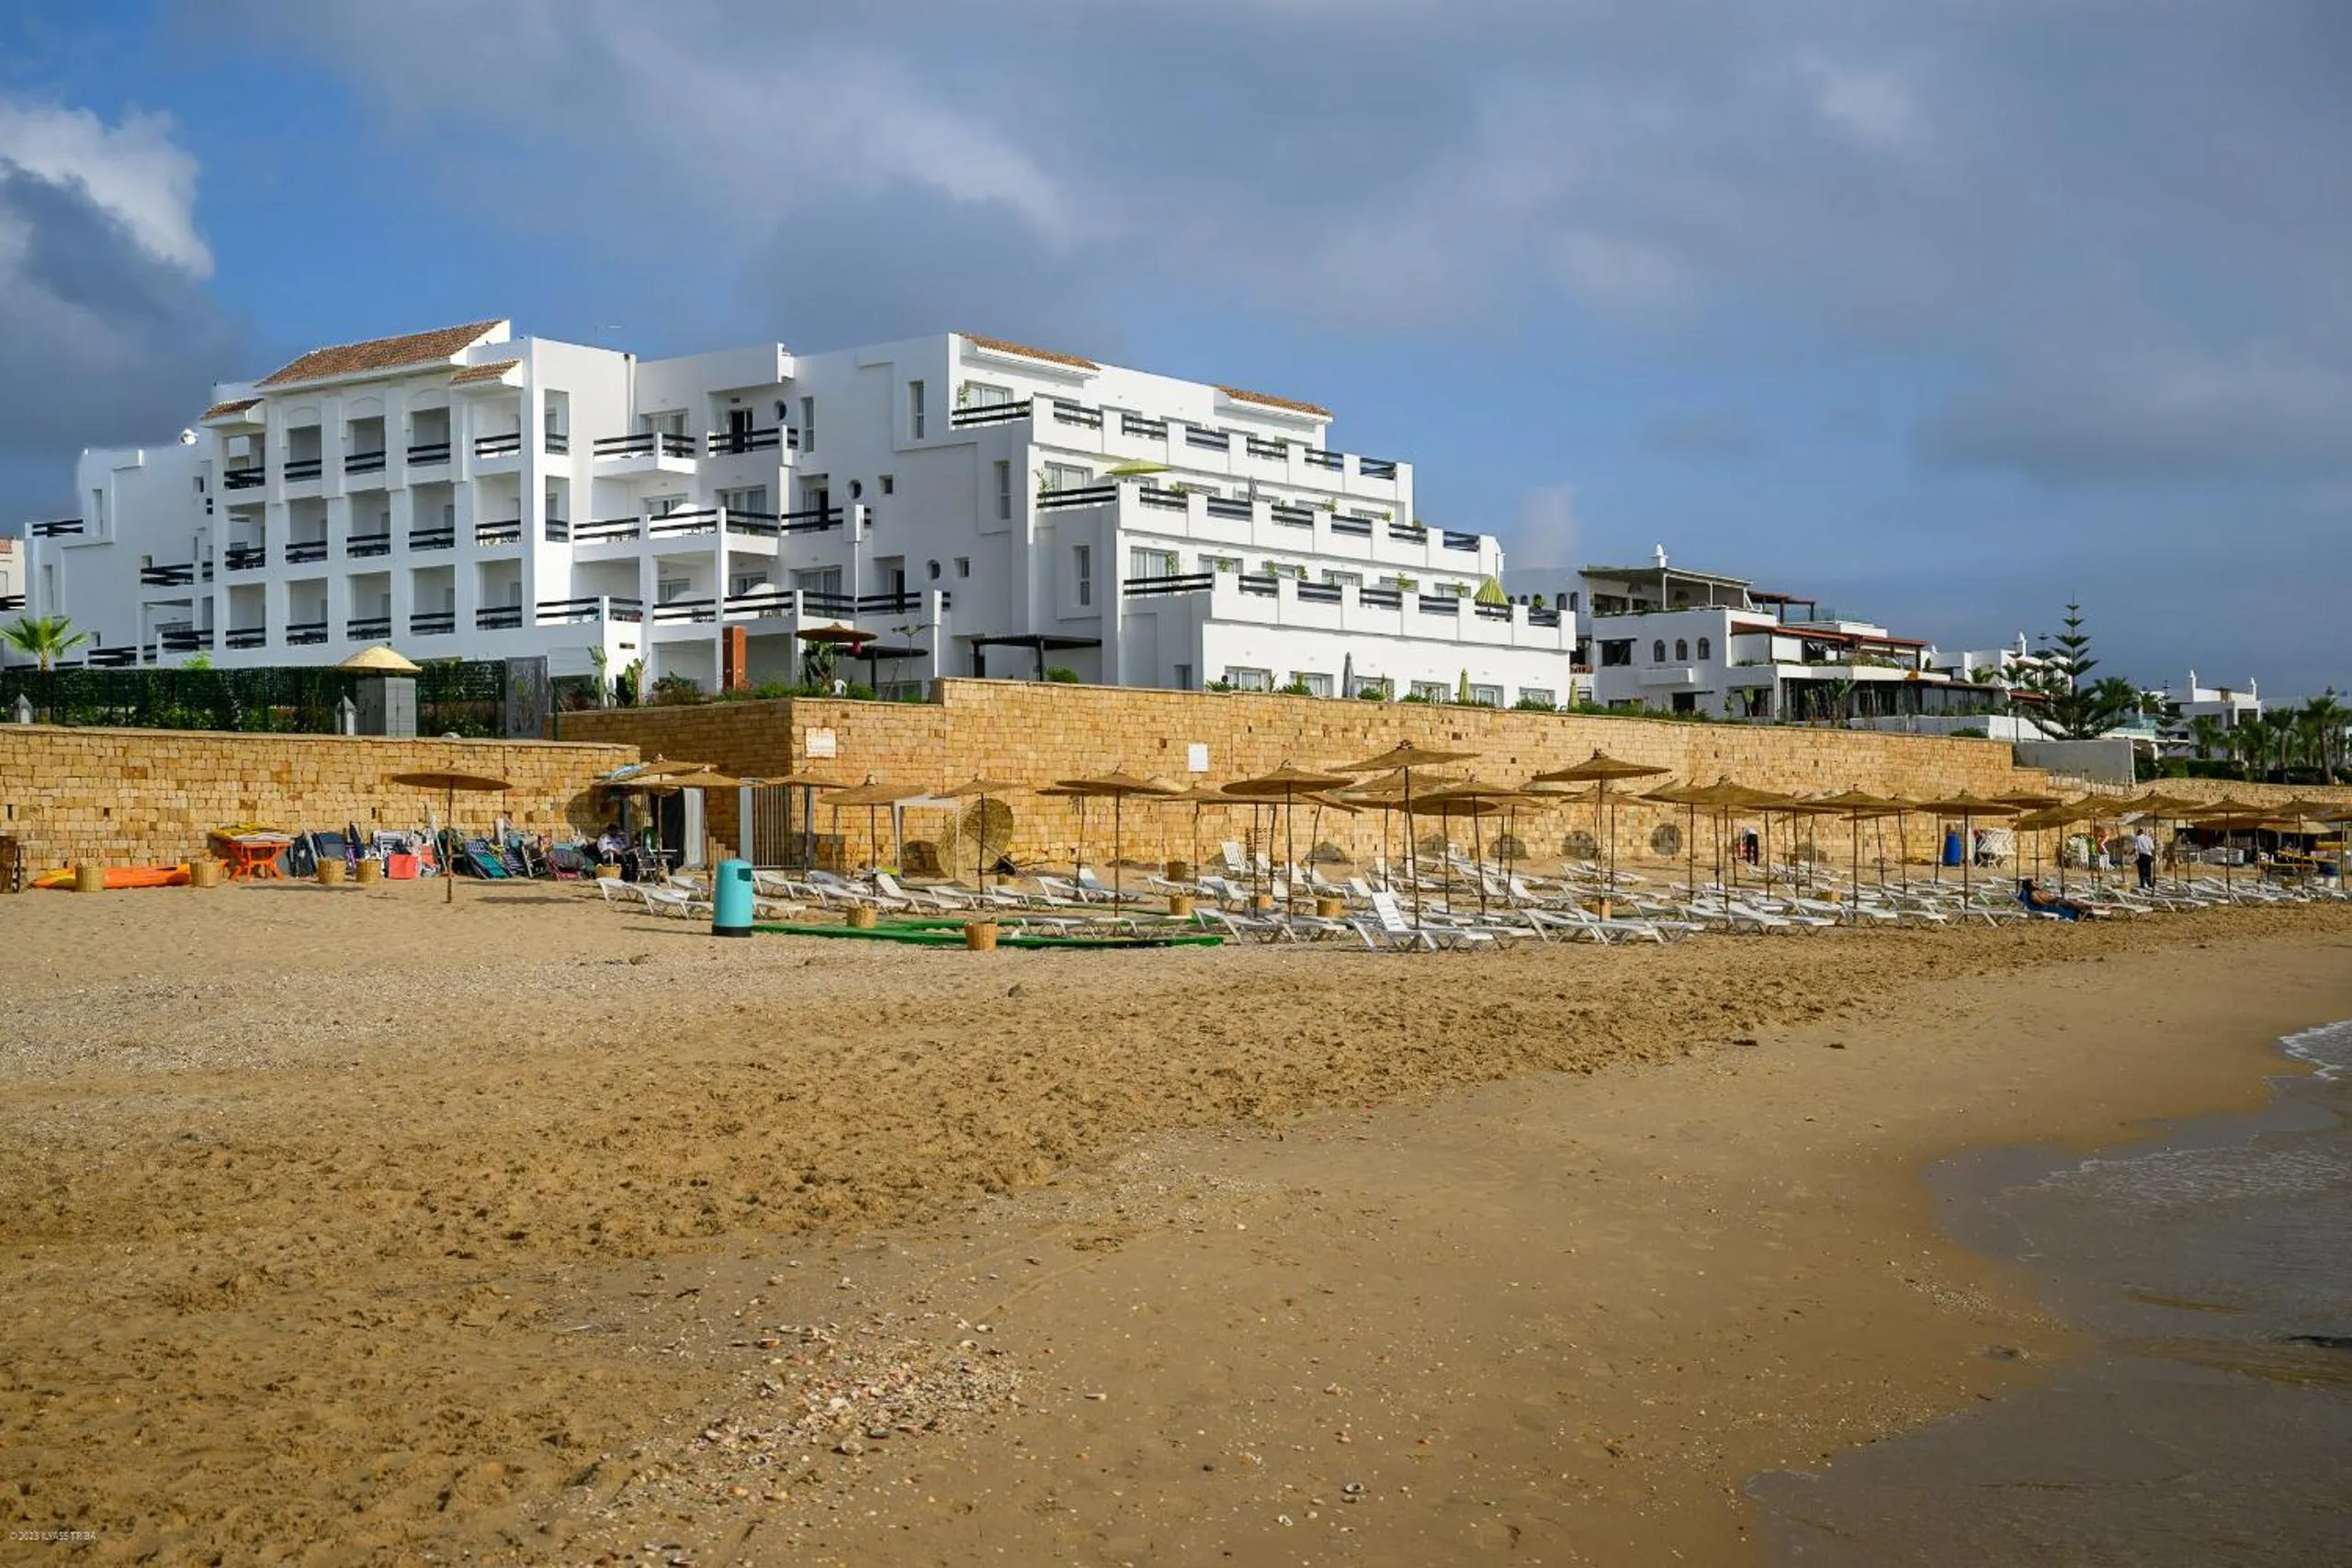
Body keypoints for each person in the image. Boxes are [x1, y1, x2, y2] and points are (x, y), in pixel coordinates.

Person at [2018, 877, 2087, 920]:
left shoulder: (2033, 892)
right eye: (2033, 883)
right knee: (2070, 903)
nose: (2036, 884)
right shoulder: (2032, 894)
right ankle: (2082, 910)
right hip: (2048, 907)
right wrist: (2052, 902)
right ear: (2029, 885)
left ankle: (2083, 908)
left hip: (2053, 902)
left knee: (2072, 902)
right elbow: (2041, 903)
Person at [2132, 826, 2157, 891]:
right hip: (2148, 855)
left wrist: (2129, 854)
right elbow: (2152, 849)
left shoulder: (2137, 838)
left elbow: (2135, 849)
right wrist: (2154, 856)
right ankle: (2149, 884)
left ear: (2138, 833)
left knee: (2141, 871)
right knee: (2148, 870)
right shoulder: (2149, 838)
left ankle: (2142, 884)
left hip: (2141, 856)